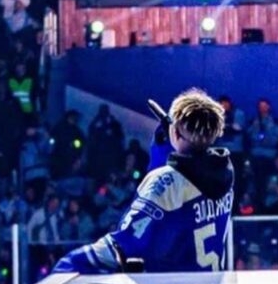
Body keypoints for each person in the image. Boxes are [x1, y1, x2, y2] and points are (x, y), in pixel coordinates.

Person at [53, 88, 233, 274]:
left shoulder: (167, 182)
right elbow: (181, 182)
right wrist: (164, 150)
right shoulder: (223, 174)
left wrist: (69, 265)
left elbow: (126, 242)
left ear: (176, 133)